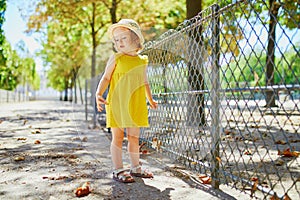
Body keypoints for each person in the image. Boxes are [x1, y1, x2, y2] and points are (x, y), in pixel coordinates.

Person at [95, 19, 158, 183]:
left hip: (135, 104)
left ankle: (135, 168)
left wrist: (150, 99)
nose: (119, 42)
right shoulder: (116, 58)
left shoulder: (141, 61)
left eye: (123, 38)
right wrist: (98, 93)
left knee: (134, 137)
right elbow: (106, 78)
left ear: (135, 39)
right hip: (117, 103)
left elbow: (144, 82)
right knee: (118, 136)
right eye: (116, 40)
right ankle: (118, 169)